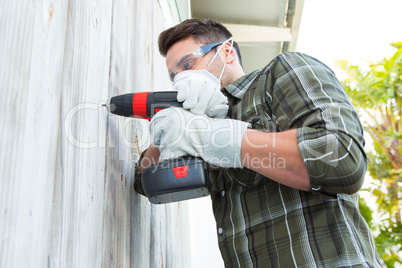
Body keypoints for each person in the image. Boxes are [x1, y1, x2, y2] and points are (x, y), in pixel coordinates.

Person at [134, 18, 381, 267]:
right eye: (174, 77)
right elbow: (145, 181)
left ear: (227, 51)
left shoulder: (280, 72)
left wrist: (209, 136)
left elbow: (341, 156)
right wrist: (170, 133)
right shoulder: (194, 124)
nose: (181, 79)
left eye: (189, 64)